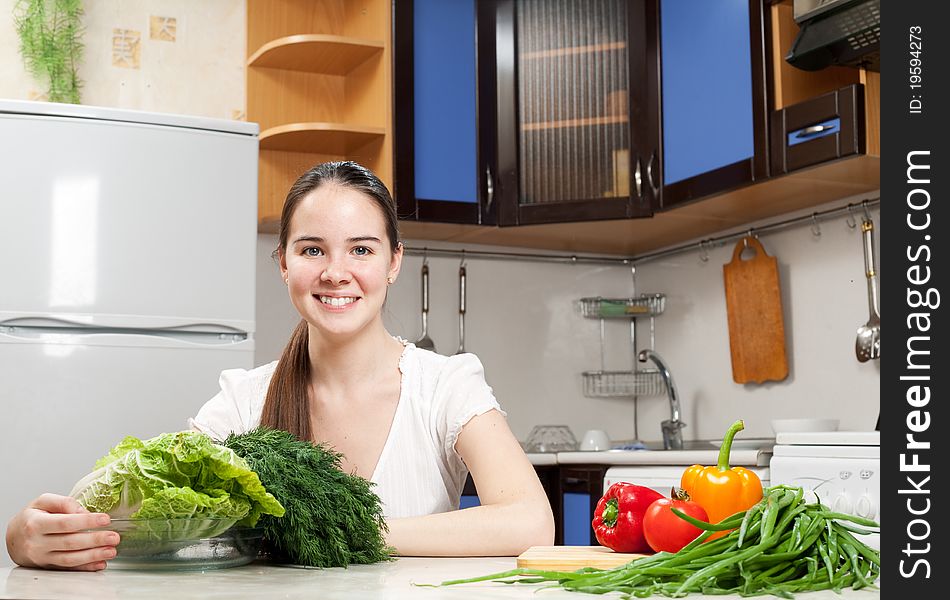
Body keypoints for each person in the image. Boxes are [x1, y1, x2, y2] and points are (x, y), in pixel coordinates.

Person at [5, 161, 554, 570]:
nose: (336, 272)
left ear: (393, 263)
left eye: (361, 250)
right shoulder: (244, 400)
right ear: (283, 263)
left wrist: (351, 528)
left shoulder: (446, 386)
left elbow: (530, 520)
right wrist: (36, 536)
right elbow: (143, 503)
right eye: (312, 250)